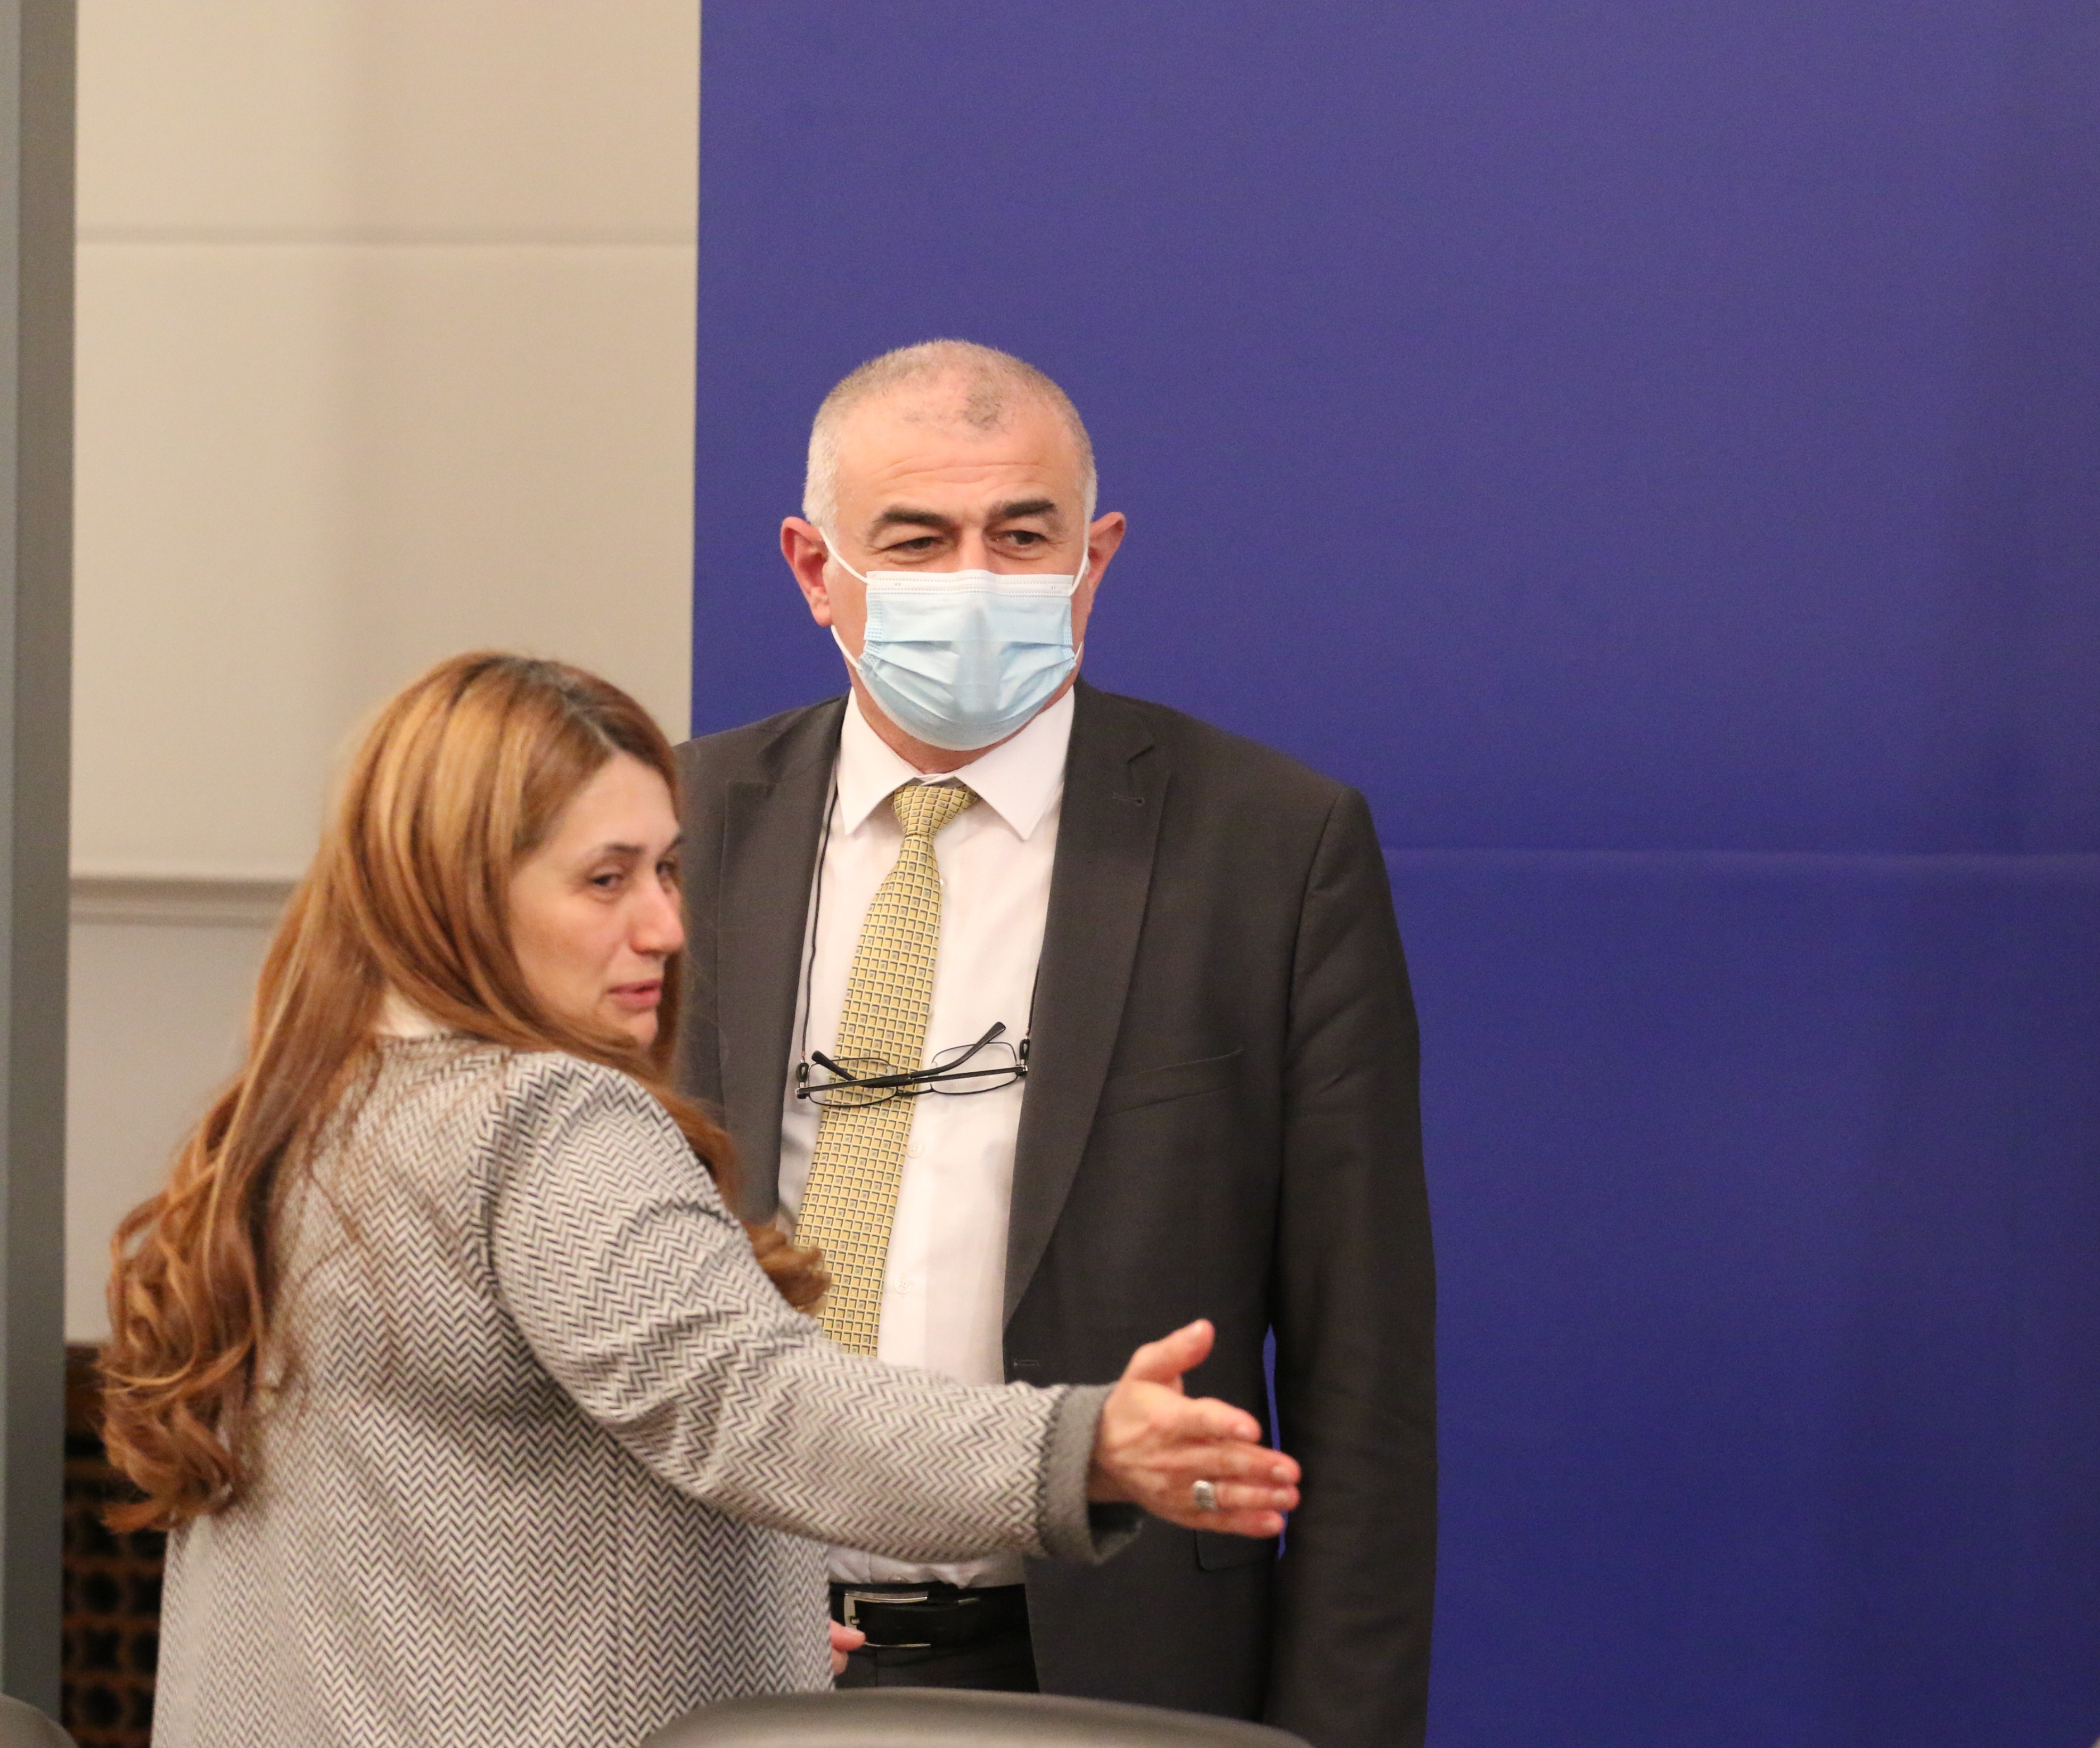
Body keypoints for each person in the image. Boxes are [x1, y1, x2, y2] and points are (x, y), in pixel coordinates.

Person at [98, 653, 1296, 1748]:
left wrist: (743, 1609)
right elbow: (749, 1400)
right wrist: (1080, 1445)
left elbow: (426, 1522)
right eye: (605, 879)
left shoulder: (290, 1117)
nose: (667, 927)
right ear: (453, 893)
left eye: (667, 869)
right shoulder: (544, 1119)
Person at [675, 340, 1435, 1747]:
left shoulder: (1271, 846)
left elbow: (1364, 1369)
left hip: (1106, 1662)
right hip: (723, 1645)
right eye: (918, 540)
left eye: (1021, 538)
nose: (974, 579)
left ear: (1094, 558)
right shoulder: (675, 827)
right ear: (812, 567)